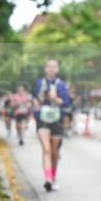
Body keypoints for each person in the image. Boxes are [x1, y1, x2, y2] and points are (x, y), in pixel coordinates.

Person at [32, 60, 72, 191]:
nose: (51, 69)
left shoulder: (61, 85)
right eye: (49, 66)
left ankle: (53, 177)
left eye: (54, 66)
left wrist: (55, 99)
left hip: (57, 119)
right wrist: (36, 103)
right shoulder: (40, 83)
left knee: (54, 152)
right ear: (45, 69)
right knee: (46, 149)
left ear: (57, 70)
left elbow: (66, 103)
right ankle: (48, 179)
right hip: (42, 118)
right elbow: (34, 98)